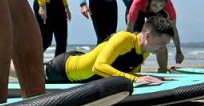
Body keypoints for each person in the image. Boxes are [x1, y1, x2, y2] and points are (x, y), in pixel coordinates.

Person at [43, 15, 174, 85]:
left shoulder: (145, 51)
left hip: (82, 73)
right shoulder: (125, 39)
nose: (162, 48)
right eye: (161, 43)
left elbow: (128, 75)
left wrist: (146, 78)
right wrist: (136, 79)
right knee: (27, 75)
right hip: (62, 69)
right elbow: (98, 67)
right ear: (147, 35)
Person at [126, 0, 184, 72]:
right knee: (137, 40)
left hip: (152, 8)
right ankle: (136, 71)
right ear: (149, 1)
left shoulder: (168, 5)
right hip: (140, 9)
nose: (157, 8)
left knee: (161, 40)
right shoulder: (139, 1)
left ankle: (163, 70)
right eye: (155, 5)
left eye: (161, 5)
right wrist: (128, 50)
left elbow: (173, 29)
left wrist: (178, 51)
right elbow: (129, 30)